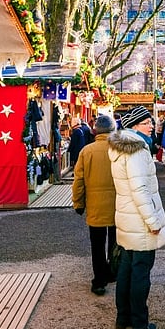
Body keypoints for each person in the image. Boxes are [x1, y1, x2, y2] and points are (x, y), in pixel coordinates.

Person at [108, 105, 165, 329]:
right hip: (139, 220)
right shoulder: (136, 150)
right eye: (147, 122)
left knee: (126, 269)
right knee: (140, 273)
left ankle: (123, 317)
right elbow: (140, 190)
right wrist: (152, 220)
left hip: (126, 218)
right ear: (135, 126)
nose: (151, 126)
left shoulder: (121, 148)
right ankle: (139, 324)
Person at [72, 113, 118, 295]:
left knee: (97, 244)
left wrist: (78, 202)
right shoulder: (120, 149)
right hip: (118, 204)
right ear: (113, 129)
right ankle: (114, 272)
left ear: (95, 130)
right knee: (116, 242)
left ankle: (99, 280)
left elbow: (79, 181)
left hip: (95, 205)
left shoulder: (87, 151)